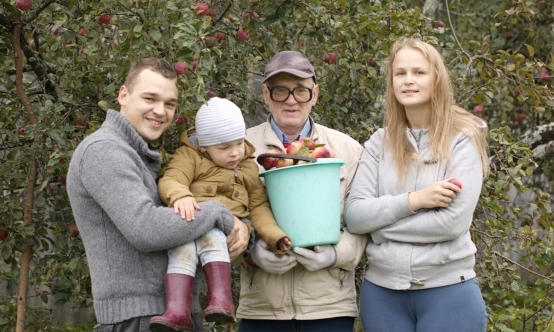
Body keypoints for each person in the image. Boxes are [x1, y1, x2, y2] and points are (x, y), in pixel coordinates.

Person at [66, 58, 250, 332]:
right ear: (123, 95)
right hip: (137, 319)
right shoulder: (103, 151)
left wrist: (242, 227)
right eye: (150, 98)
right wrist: (223, 215)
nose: (160, 111)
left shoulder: (136, 154)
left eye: (170, 103)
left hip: (170, 315)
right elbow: (146, 228)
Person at [344, 37, 490, 332]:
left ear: (436, 79)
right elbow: (355, 217)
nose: (408, 81)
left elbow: (451, 223)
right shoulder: (379, 142)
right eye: (400, 73)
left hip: (449, 294)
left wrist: (380, 229)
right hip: (382, 296)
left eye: (419, 72)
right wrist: (415, 200)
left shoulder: (462, 140)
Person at [237, 50, 368, 332]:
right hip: (262, 310)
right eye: (281, 90)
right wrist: (250, 252)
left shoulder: (347, 150)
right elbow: (226, 214)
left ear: (315, 94)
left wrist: (334, 256)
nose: (292, 100)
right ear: (265, 93)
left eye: (301, 91)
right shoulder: (240, 150)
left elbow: (363, 227)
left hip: (329, 307)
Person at [153, 97, 291, 327]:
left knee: (213, 235)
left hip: (226, 227)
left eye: (238, 143)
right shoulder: (190, 157)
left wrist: (274, 235)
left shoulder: (247, 166)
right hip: (193, 219)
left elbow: (258, 206)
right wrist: (181, 195)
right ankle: (177, 311)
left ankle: (221, 300)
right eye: (224, 148)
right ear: (203, 146)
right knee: (181, 249)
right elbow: (172, 179)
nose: (235, 153)